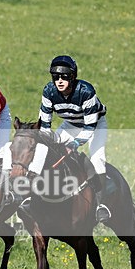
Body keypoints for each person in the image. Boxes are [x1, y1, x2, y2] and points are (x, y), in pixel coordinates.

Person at [38, 55, 111, 222]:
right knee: (43, 150)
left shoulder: (86, 91)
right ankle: (31, 196)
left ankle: (101, 205)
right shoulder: (48, 91)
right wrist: (48, 142)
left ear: (72, 77)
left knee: (97, 158)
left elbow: (89, 126)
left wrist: (75, 143)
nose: (60, 81)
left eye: (65, 76)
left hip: (95, 125)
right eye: (56, 77)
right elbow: (45, 126)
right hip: (70, 124)